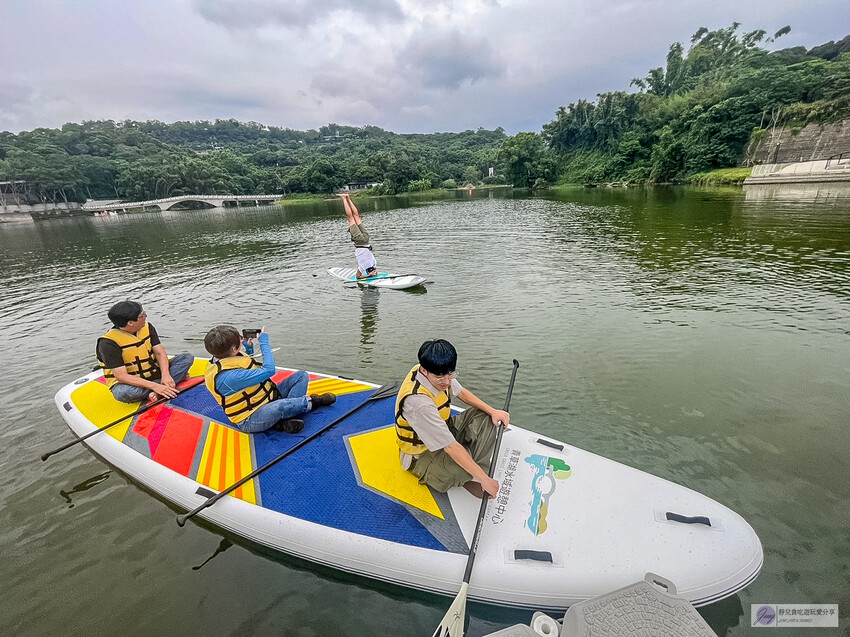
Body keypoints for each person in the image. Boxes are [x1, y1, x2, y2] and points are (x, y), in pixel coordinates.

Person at [394, 339, 510, 498]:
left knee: (486, 417)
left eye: (451, 374)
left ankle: (478, 472)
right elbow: (449, 446)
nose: (447, 382)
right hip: (422, 453)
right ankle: (473, 475)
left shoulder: (437, 370)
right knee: (460, 470)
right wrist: (485, 480)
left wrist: (493, 411)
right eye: (441, 378)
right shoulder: (418, 403)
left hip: (444, 427)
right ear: (424, 371)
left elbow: (461, 392)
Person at [203, 325, 337, 434]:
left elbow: (244, 362)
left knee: (301, 376)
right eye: (239, 340)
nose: (241, 339)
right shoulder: (228, 378)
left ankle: (281, 422)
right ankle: (313, 401)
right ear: (233, 349)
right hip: (251, 417)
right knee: (280, 406)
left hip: (266, 398)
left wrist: (249, 348)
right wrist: (264, 342)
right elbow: (269, 370)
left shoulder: (223, 356)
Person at [95, 301, 194, 404]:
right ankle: (164, 386)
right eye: (142, 315)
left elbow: (160, 353)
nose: (145, 316)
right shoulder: (108, 343)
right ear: (130, 323)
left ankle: (158, 389)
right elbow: (122, 376)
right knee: (122, 393)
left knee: (187, 358)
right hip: (131, 384)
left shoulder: (147, 327)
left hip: (155, 373)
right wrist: (155, 386)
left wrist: (166, 374)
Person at [338, 193, 378, 279]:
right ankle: (344, 199)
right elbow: (358, 276)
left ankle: (348, 198)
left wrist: (373, 272)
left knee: (356, 216)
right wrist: (368, 276)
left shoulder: (374, 263)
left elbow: (375, 270)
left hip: (366, 239)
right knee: (351, 218)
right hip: (360, 241)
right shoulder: (363, 266)